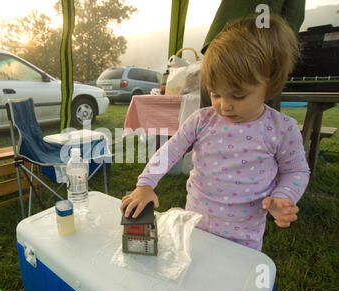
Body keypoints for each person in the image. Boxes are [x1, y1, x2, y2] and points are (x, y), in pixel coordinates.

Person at [120, 15, 310, 251]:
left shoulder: (282, 129)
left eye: (238, 96)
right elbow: (170, 151)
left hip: (244, 237)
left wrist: (283, 196)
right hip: (196, 225)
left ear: (270, 84)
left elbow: (296, 170)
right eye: (215, 93)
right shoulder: (202, 119)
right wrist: (146, 184)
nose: (224, 105)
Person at [199, 0, 306, 110]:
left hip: (256, 48)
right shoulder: (200, 120)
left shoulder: (282, 125)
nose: (225, 107)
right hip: (233, 47)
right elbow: (295, 14)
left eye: (238, 96)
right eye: (215, 95)